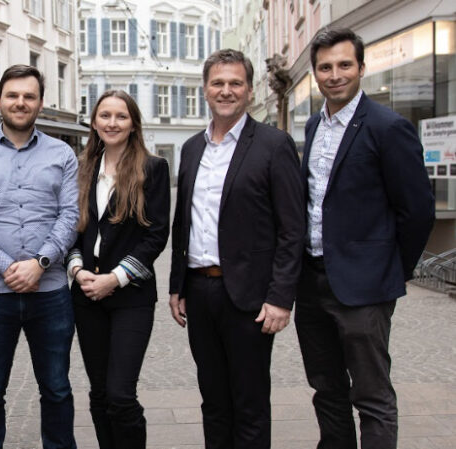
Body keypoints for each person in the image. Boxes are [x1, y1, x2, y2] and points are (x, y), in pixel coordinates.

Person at [296, 27, 435, 449]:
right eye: (325, 67)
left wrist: (392, 271)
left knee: (372, 395)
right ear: (315, 74)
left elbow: (417, 211)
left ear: (360, 67)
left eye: (343, 65)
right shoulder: (314, 125)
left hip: (364, 287)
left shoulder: (387, 126)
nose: (334, 75)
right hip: (312, 282)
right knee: (327, 390)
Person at [168, 49, 305, 448]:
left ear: (248, 90)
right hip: (199, 291)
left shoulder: (273, 145)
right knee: (213, 400)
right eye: (218, 83)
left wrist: (281, 298)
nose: (226, 91)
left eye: (235, 83)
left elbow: (291, 229)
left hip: (249, 296)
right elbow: (184, 222)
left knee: (249, 404)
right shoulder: (192, 149)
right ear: (205, 89)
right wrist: (177, 284)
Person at [0, 64, 79, 449]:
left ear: (41, 103)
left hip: (51, 293)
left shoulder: (63, 154)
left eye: (29, 96)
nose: (20, 102)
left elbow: (70, 216)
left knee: (56, 388)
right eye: (13, 95)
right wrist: (8, 267)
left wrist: (39, 264)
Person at [66, 90, 169, 448]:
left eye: (120, 116)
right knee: (98, 394)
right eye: (105, 116)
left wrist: (115, 278)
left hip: (131, 297)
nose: (112, 123)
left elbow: (155, 236)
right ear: (93, 122)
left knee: (121, 394)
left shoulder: (152, 168)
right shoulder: (81, 169)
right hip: (86, 294)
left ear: (133, 123)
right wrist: (79, 273)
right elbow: (71, 231)